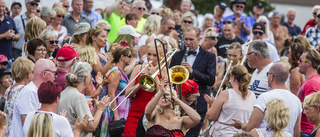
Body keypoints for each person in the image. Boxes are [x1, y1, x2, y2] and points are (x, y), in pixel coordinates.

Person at [232, 62, 302, 137]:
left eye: (267, 74)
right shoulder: (296, 100)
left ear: (271, 76)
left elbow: (250, 128)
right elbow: (297, 133)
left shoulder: (265, 97)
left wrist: (241, 125)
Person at [169, 26, 216, 136]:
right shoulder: (177, 55)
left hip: (198, 103)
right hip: (178, 103)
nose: (188, 42)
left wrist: (192, 71)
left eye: (191, 39)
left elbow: (210, 80)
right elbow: (171, 77)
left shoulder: (209, 56)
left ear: (199, 39)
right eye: (186, 39)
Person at [56, 62, 110, 137]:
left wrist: (95, 109)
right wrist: (100, 110)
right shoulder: (78, 97)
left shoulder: (64, 92)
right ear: (86, 78)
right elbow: (90, 127)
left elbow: (82, 119)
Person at [123, 41, 165, 136]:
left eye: (155, 55)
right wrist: (141, 82)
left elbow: (162, 94)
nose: (151, 58)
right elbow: (127, 94)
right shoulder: (138, 68)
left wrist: (154, 76)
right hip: (135, 113)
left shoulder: (165, 71)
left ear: (161, 56)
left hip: (153, 115)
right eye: (149, 54)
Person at [23, 81, 88, 137]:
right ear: (57, 99)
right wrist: (77, 130)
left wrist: (60, 119)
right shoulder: (60, 121)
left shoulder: (30, 116)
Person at [11, 59, 56, 137]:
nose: (56, 76)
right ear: (44, 73)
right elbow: (28, 126)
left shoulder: (35, 91)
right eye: (54, 73)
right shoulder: (29, 92)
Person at [207, 65, 256, 136]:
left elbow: (211, 116)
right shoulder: (253, 95)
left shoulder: (226, 93)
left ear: (233, 78)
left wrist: (213, 105)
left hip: (223, 133)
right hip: (242, 134)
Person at [99, 47, 132, 136]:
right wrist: (116, 115)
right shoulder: (116, 72)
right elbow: (111, 93)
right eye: (129, 56)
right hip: (116, 112)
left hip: (122, 110)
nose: (131, 58)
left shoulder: (120, 71)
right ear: (122, 57)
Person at [3, 57, 33, 136]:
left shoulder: (9, 89)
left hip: (7, 132)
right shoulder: (24, 90)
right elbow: (25, 119)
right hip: (17, 132)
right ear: (28, 74)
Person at [297, 48, 320, 136]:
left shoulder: (312, 83)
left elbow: (312, 106)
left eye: (300, 60)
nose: (298, 62)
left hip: (306, 130)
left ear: (308, 63)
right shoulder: (310, 81)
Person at [0, 0, 19, 67]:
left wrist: (12, 36)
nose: (1, 8)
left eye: (3, 6)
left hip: (8, 58)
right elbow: (5, 35)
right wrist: (4, 35)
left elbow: (17, 35)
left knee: (9, 77)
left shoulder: (10, 20)